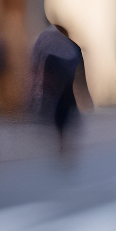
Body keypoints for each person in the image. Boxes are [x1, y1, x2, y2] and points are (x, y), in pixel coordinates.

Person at [29, 18, 85, 156]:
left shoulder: (45, 39)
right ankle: (64, 139)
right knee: (66, 108)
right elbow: (80, 68)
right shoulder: (73, 45)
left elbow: (35, 59)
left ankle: (60, 139)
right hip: (67, 83)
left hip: (53, 82)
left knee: (55, 108)